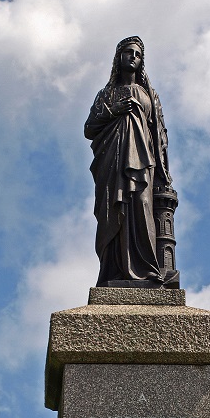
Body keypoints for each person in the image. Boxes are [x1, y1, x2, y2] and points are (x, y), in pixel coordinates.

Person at [84, 36, 173, 286]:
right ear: (118, 57)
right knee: (115, 212)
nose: (132, 57)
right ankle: (114, 270)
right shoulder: (107, 94)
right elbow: (89, 128)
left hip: (143, 163)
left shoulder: (149, 95)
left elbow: (160, 136)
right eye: (128, 53)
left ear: (141, 61)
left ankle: (146, 269)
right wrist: (118, 109)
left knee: (142, 208)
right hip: (112, 163)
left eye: (137, 54)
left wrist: (164, 173)